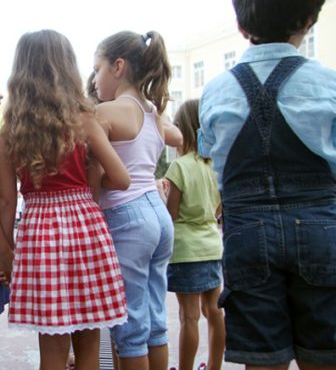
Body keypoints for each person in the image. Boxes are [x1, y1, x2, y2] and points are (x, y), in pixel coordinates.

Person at [198, 0, 336, 368]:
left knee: (262, 359)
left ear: (242, 26)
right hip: (319, 222)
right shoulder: (330, 82)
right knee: (323, 357)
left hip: (247, 228)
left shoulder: (217, 90)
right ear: (309, 19)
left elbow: (211, 150)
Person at [0, 29, 130, 370]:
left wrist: (6, 252)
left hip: (39, 234)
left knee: (53, 352)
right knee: (89, 347)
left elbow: (6, 201)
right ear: (68, 68)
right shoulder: (85, 121)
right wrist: (90, 176)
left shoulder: (10, 131)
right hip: (85, 230)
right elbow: (122, 178)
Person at [93, 30, 182, 370]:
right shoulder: (153, 113)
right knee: (155, 323)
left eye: (97, 69)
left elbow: (95, 176)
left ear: (118, 66)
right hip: (158, 215)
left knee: (129, 328)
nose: (94, 79)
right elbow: (178, 136)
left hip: (126, 217)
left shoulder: (106, 112)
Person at [164, 99, 225, 370]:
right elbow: (218, 209)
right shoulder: (216, 167)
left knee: (188, 317)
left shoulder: (179, 167)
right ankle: (214, 366)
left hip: (186, 249)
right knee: (214, 311)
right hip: (212, 245)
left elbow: (171, 214)